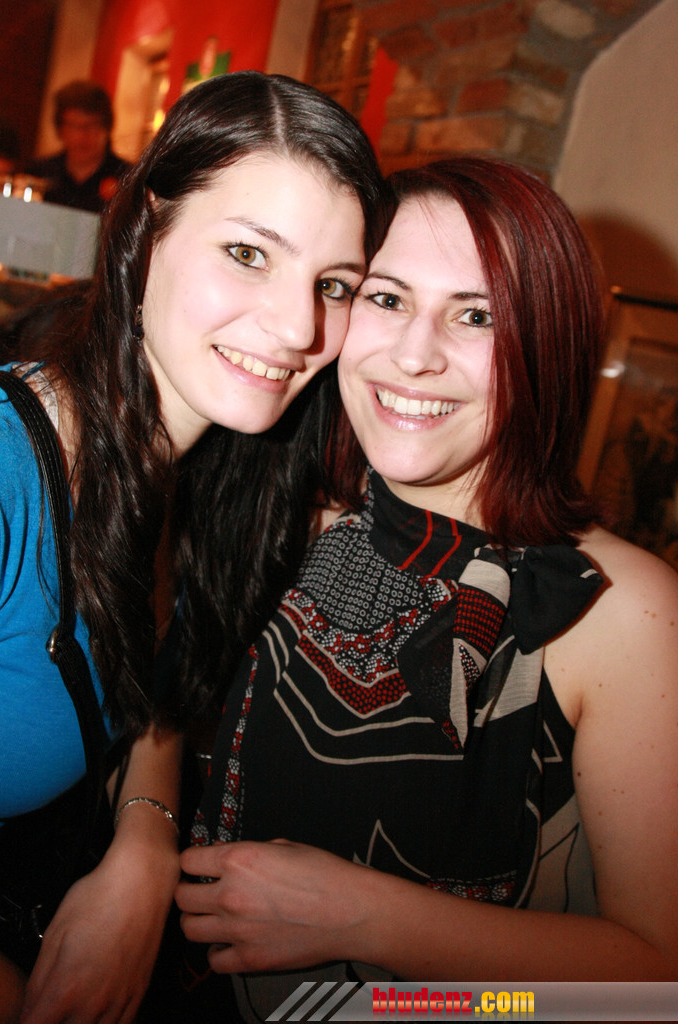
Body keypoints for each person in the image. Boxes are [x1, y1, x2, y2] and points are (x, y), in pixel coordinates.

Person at [176, 157, 678, 1019]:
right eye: (386, 297)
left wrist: (365, 917)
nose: (413, 356)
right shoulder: (279, 517)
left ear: (546, 347)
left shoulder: (617, 609)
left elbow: (654, 982)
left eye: (475, 315)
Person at [0, 70, 389, 1024]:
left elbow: (151, 688)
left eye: (332, 286)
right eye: (248, 253)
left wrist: (143, 846)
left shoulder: (205, 463)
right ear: (146, 230)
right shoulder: (8, 466)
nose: (299, 327)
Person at [26, 81, 130, 213]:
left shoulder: (128, 179)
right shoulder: (39, 173)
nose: (82, 136)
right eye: (73, 126)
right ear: (60, 129)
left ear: (106, 127)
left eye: (92, 125)